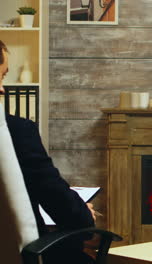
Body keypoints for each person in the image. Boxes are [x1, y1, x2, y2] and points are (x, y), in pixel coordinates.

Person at [0, 40, 97, 263]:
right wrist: (84, 214)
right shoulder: (16, 131)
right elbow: (58, 202)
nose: (2, 89)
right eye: (2, 75)